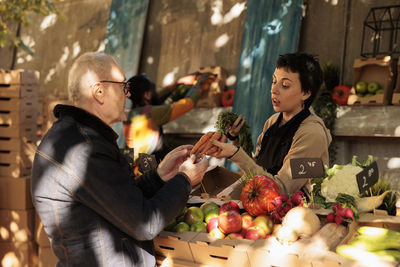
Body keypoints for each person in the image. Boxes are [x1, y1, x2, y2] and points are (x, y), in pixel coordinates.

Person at [30, 52, 208, 266]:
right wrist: (184, 179)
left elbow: (119, 199)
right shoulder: (85, 149)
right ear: (99, 92)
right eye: (123, 86)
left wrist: (159, 176)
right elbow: (145, 223)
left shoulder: (70, 136)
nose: (127, 94)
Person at [207, 53, 332, 195]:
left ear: (305, 93)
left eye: (285, 85)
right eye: (274, 81)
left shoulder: (312, 134)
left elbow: (282, 188)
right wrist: (236, 141)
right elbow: (258, 168)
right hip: (260, 203)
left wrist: (236, 155)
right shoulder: (272, 122)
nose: (274, 90)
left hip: (291, 211)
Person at [121, 72, 213, 162]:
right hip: (146, 163)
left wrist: (177, 82)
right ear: (147, 95)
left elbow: (157, 97)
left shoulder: (133, 113)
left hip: (135, 160)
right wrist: (199, 85)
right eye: (153, 90)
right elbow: (187, 104)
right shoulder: (149, 114)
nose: (156, 92)